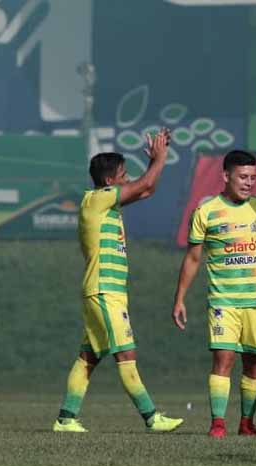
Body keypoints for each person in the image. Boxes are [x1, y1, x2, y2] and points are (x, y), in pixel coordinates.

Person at [52, 129, 184, 433]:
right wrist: (160, 159)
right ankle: (152, 418)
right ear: (110, 182)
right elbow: (146, 183)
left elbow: (147, 189)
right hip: (104, 290)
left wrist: (154, 164)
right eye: (124, 174)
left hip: (105, 290)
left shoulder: (105, 202)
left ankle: (65, 419)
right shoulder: (98, 199)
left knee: (89, 356)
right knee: (126, 353)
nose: (129, 178)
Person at [172, 150, 256, 438]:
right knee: (224, 359)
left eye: (253, 178)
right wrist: (180, 297)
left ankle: (247, 423)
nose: (248, 183)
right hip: (223, 301)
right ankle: (217, 423)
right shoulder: (205, 212)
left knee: (254, 362)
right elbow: (193, 258)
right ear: (226, 176)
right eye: (243, 177)